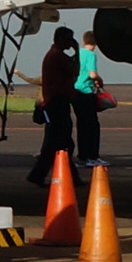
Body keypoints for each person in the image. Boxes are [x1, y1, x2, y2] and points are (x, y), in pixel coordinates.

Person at [25, 26, 93, 190]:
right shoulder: (58, 56)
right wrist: (77, 52)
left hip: (55, 101)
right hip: (58, 102)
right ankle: (40, 175)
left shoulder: (53, 55)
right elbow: (75, 70)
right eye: (69, 39)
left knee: (61, 142)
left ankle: (65, 176)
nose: (70, 43)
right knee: (60, 142)